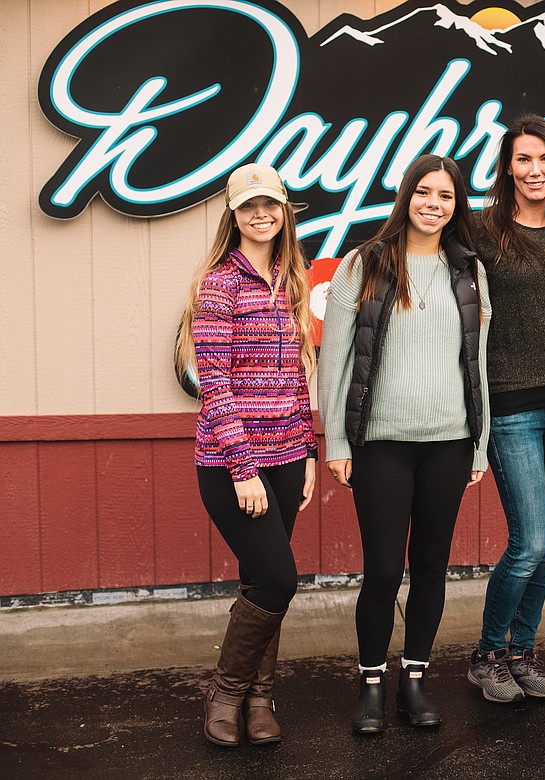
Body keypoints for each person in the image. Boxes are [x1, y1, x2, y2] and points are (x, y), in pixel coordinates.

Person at [317, 154, 491, 731]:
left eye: (445, 195)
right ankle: (371, 684)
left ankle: (413, 681)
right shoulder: (362, 264)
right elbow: (337, 361)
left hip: (448, 442)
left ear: (456, 205)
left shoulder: (468, 271)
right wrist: (337, 442)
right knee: (385, 568)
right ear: (405, 197)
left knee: (432, 565)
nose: (433, 204)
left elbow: (477, 362)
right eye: (423, 192)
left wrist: (480, 442)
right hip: (382, 444)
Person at [177, 163, 317, 747]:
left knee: (260, 576)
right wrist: (244, 468)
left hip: (288, 457)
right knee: (279, 578)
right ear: (233, 216)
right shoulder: (219, 285)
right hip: (233, 465)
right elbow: (214, 383)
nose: (261, 215)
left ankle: (261, 698)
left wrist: (309, 452)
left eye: (271, 205)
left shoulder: (291, 281)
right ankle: (228, 691)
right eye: (248, 207)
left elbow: (297, 377)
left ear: (283, 211)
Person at [466, 114, 545, 702]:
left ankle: (522, 652)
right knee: (531, 543)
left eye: (544, 158)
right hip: (512, 405)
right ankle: (488, 653)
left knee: (544, 533)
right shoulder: (480, 233)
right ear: (507, 167)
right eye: (523, 159)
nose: (534, 170)